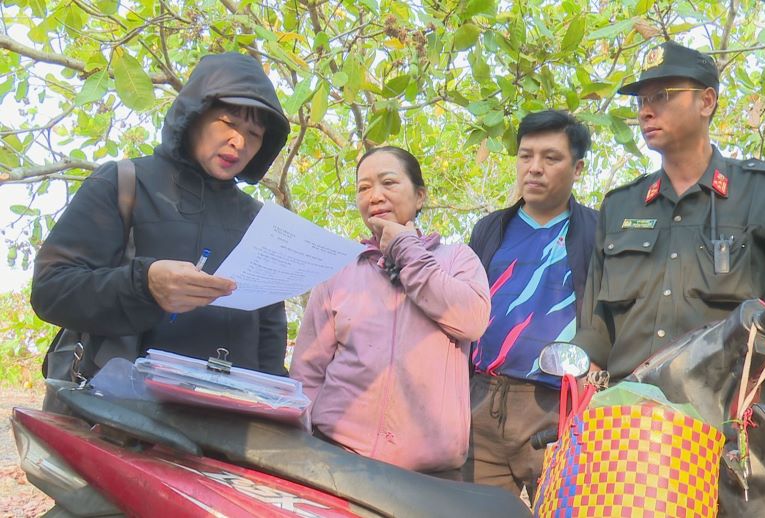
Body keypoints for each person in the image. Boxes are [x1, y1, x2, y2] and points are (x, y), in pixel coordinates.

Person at [576, 41, 765, 470]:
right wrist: (578, 420)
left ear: (707, 101)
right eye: (642, 100)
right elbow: (596, 330)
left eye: (663, 96)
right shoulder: (621, 207)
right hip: (629, 430)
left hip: (735, 433)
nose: (646, 111)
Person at [32, 53, 292, 395]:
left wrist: (274, 404)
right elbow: (51, 290)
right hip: (121, 417)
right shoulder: (123, 183)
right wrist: (145, 285)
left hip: (226, 425)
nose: (239, 142)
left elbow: (269, 333)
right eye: (228, 123)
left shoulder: (258, 220)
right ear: (195, 115)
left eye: (254, 134)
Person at [289, 146, 490, 475]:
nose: (375, 195)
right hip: (338, 456)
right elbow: (307, 372)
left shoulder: (456, 260)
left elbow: (472, 321)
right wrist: (305, 441)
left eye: (388, 183)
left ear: (420, 196)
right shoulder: (339, 269)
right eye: (363, 188)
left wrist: (405, 249)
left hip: (429, 474)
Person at [461, 110, 598, 495]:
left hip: (558, 406)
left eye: (551, 158)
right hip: (483, 400)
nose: (534, 168)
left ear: (578, 168)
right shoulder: (491, 228)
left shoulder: (597, 231)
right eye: (526, 156)